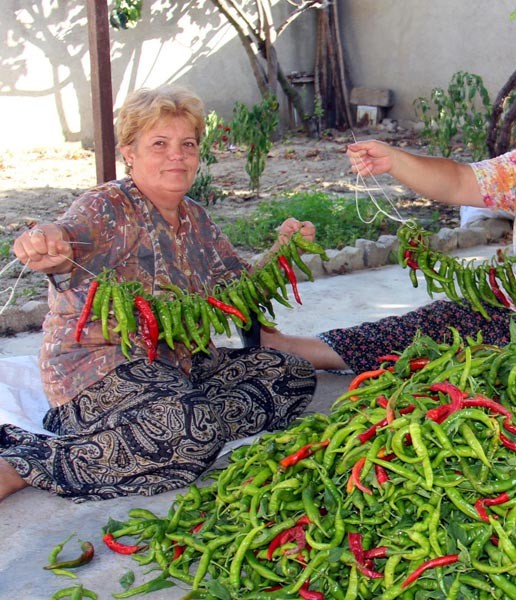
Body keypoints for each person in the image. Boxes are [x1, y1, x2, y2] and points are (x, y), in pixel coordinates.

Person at [267, 59, 516, 399]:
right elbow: (458, 181)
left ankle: (501, 380)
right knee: (435, 325)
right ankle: (296, 348)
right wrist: (393, 159)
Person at [0, 86, 318, 502]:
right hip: (101, 373)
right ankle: (29, 463)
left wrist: (282, 251)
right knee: (187, 428)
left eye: (188, 144)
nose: (177, 155)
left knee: (291, 374)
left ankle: (172, 427)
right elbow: (69, 238)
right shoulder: (107, 205)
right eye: (160, 144)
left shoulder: (196, 219)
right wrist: (47, 242)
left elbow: (239, 291)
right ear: (130, 152)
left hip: (180, 367)